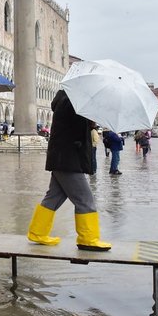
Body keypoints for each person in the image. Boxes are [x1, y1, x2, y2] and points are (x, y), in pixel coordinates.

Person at [26, 89, 111, 251]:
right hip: (69, 160)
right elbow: (75, 130)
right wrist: (89, 121)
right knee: (85, 199)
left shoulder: (67, 99)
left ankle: (37, 232)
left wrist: (89, 122)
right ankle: (88, 238)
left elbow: (72, 127)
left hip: (62, 158)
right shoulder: (72, 101)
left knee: (53, 197)